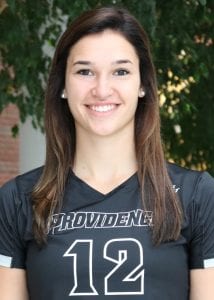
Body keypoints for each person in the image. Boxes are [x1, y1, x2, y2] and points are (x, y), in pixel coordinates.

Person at [0, 6, 214, 300]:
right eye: (85, 71)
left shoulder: (196, 195)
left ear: (143, 85)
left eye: (121, 71)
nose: (102, 89)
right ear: (63, 85)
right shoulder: (18, 200)